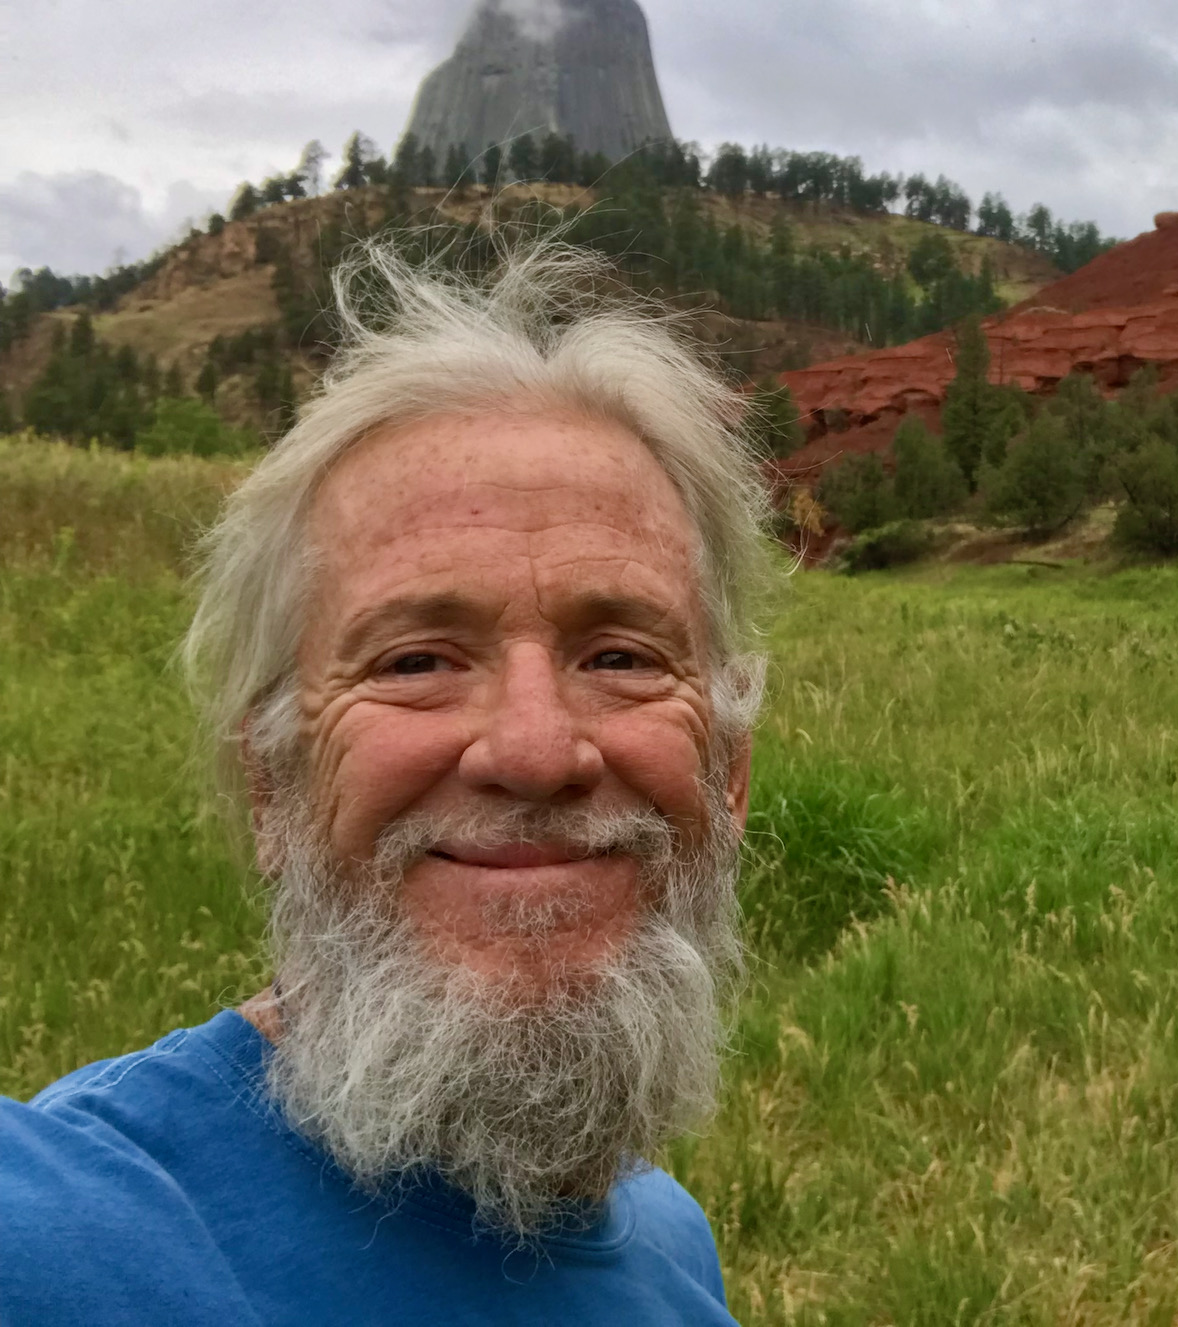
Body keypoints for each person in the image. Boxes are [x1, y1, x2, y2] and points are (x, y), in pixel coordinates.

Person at [0, 242, 776, 1323]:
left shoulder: (670, 1243)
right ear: (273, 785)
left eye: (620, 657)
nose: (534, 750)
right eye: (415, 662)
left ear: (729, 775)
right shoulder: (55, 1237)